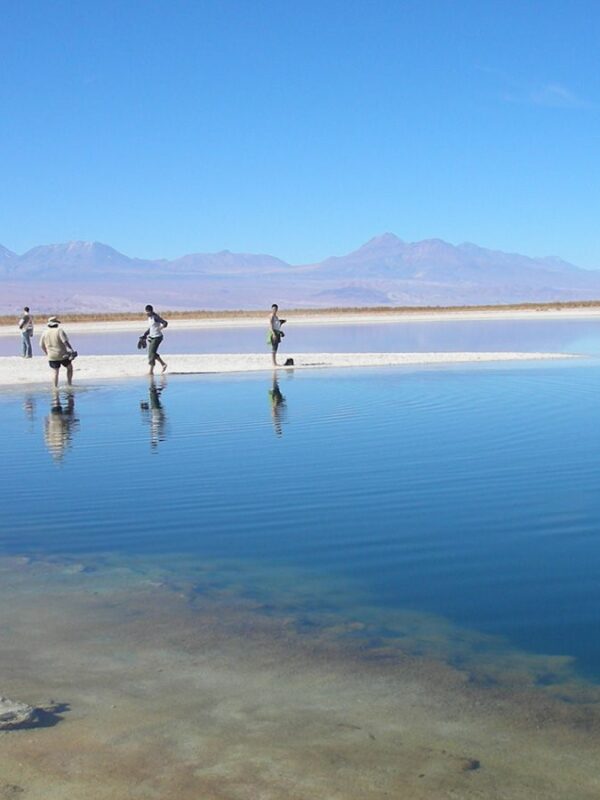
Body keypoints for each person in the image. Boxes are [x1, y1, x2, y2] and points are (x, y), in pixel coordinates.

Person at [39, 316, 77, 388]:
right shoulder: (59, 331)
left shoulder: (45, 332)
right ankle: (69, 383)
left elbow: (41, 345)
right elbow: (65, 342)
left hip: (51, 355)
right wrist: (71, 350)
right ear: (56, 324)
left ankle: (55, 387)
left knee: (55, 372)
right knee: (69, 367)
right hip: (62, 355)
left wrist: (46, 353)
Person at [139, 305, 168, 375]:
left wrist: (161, 328)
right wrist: (144, 335)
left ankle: (151, 371)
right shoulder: (150, 318)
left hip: (157, 337)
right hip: (152, 337)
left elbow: (165, 323)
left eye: (147, 312)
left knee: (151, 353)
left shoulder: (155, 317)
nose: (146, 313)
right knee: (153, 352)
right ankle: (163, 364)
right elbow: (151, 328)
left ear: (149, 311)